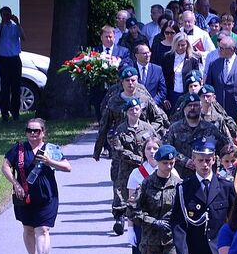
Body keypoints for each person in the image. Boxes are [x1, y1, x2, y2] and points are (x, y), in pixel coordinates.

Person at [95, 67, 169, 234]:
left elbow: (160, 118)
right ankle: (120, 214)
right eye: (127, 80)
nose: (130, 83)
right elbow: (105, 124)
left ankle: (144, 211)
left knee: (145, 181)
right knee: (119, 183)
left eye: (133, 80)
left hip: (144, 149)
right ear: (122, 82)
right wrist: (98, 149)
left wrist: (150, 131)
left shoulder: (144, 98)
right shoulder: (114, 101)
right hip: (122, 149)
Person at [1, 118, 71, 254]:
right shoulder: (19, 149)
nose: (33, 133)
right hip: (24, 196)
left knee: (43, 229)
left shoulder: (51, 149)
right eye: (29, 130)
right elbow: (5, 166)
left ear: (43, 132)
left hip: (47, 196)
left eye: (37, 131)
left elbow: (67, 167)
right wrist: (15, 183)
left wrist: (50, 161)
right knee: (28, 229)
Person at [111, 98, 156, 233]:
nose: (134, 112)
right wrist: (138, 158)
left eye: (136, 109)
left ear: (140, 111)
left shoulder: (147, 128)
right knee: (124, 193)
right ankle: (122, 218)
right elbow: (119, 150)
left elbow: (155, 144)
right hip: (127, 167)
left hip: (146, 167)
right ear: (126, 112)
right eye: (131, 110)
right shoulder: (120, 129)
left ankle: (142, 219)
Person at [162, 93, 229, 179]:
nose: (192, 108)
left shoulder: (211, 129)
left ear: (201, 108)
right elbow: (166, 149)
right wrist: (184, 160)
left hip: (205, 178)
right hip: (181, 177)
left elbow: (225, 150)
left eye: (196, 105)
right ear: (184, 109)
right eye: (189, 105)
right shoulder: (174, 128)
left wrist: (221, 169)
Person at [205, 36, 237, 129]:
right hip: (217, 111)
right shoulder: (214, 64)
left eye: (222, 48)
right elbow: (208, 86)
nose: (219, 50)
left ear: (232, 50)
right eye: (219, 47)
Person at [0, 7, 26, 122]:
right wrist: (2, 23)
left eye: (8, 14)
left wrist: (18, 23)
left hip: (15, 60)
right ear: (1, 15)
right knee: (5, 88)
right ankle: (4, 113)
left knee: (16, 88)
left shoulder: (15, 27)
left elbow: (24, 37)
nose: (6, 16)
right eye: (4, 14)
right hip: (4, 61)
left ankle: (15, 113)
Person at [161, 33, 202, 110]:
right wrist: (164, 98)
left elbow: (197, 79)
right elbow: (163, 79)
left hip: (187, 94)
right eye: (178, 45)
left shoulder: (193, 59)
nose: (180, 47)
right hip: (171, 94)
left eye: (183, 45)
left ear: (187, 45)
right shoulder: (167, 57)